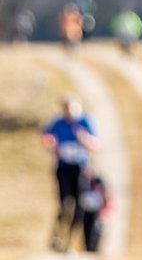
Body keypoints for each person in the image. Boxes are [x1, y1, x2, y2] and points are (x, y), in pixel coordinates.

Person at [41, 93, 100, 252]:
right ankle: (57, 237)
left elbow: (96, 145)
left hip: (81, 170)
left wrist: (85, 140)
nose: (68, 112)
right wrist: (50, 144)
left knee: (79, 208)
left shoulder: (85, 121)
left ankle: (70, 242)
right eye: (65, 109)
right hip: (63, 169)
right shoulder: (58, 122)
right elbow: (45, 136)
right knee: (64, 204)